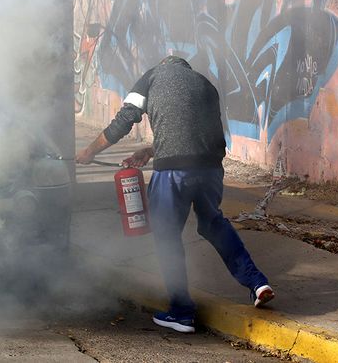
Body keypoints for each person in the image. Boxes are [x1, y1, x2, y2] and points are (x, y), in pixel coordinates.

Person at [75, 55, 274, 334]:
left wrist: (89, 152)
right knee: (213, 223)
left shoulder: (152, 76)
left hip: (173, 174)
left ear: (165, 65)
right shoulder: (205, 84)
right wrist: (150, 151)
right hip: (210, 169)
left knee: (167, 235)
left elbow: (124, 121)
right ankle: (257, 283)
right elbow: (196, 132)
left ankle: (181, 312)